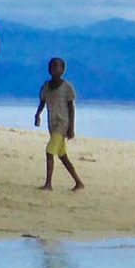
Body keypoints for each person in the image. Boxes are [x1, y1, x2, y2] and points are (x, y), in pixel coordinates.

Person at [34, 57, 84, 191]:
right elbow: (42, 102)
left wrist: (71, 128)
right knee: (63, 156)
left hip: (62, 124)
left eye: (58, 67)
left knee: (49, 151)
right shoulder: (46, 87)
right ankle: (78, 182)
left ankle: (48, 184)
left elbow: (71, 108)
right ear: (49, 69)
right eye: (53, 67)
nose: (55, 69)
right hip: (52, 123)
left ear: (63, 69)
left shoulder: (67, 87)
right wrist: (37, 115)